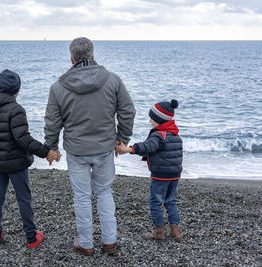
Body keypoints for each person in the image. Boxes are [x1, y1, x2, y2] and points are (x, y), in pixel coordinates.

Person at [44, 37, 136, 256]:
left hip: (77, 151)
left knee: (82, 197)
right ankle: (110, 241)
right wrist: (123, 138)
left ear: (71, 58)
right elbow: (127, 110)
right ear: (93, 56)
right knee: (104, 192)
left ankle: (86, 244)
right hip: (104, 148)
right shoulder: (112, 80)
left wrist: (51, 148)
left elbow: (52, 122)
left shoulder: (58, 87)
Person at [0, 69, 59, 248]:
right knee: (24, 199)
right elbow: (23, 139)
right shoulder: (16, 109)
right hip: (16, 163)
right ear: (17, 90)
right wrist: (46, 151)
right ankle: (31, 237)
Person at [116, 99, 183, 241]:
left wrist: (129, 149)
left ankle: (159, 232)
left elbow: (147, 146)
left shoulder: (159, 135)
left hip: (160, 175)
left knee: (155, 202)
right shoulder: (175, 135)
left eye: (152, 118)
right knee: (171, 201)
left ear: (159, 120)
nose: (150, 121)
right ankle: (176, 232)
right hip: (175, 174)